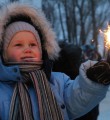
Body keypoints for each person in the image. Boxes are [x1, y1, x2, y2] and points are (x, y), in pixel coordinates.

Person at [0, 2, 110, 120]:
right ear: (4, 53)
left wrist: (93, 79)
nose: (27, 49)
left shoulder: (57, 82)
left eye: (32, 44)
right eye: (18, 45)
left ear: (42, 50)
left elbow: (79, 98)